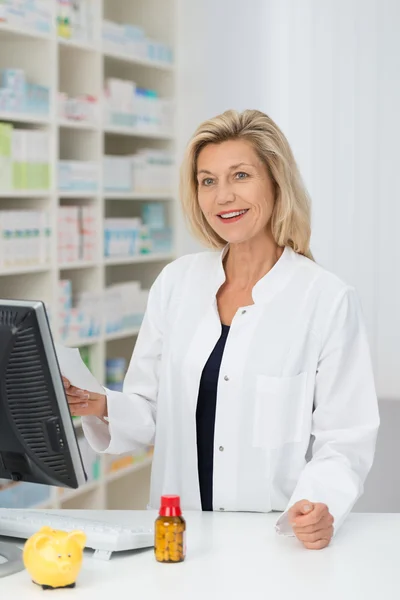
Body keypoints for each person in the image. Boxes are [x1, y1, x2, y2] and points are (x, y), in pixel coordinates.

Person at [63, 109, 379, 550]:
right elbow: (152, 410)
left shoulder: (325, 299)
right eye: (207, 181)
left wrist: (320, 504)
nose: (222, 196)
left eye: (240, 176)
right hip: (176, 534)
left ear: (276, 182)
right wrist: (99, 404)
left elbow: (345, 437)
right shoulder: (176, 282)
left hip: (272, 543)